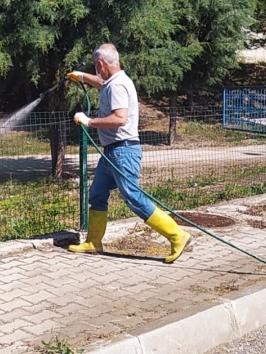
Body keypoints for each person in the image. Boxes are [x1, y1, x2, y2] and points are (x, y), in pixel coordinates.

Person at [66, 43, 191, 263]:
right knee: (97, 193)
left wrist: (89, 121)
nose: (97, 71)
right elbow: (102, 83)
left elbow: (119, 118)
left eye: (96, 67)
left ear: (100, 64)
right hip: (112, 152)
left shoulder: (117, 86)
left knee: (133, 197)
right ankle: (94, 242)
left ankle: (177, 235)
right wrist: (82, 77)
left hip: (122, 151)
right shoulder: (114, 81)